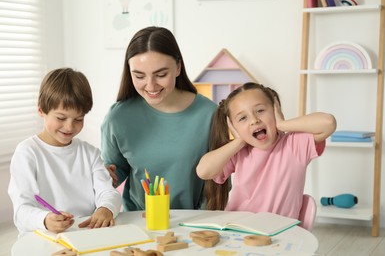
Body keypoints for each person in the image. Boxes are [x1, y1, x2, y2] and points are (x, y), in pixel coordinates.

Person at [100, 26, 217, 212]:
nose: (151, 85)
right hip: (139, 222)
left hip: (195, 222)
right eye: (139, 76)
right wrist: (105, 176)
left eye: (161, 75)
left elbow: (219, 180)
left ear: (178, 67)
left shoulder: (209, 114)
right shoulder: (118, 117)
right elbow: (116, 170)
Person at [197, 82, 336, 219]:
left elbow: (328, 123)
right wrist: (238, 142)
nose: (254, 120)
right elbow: (203, 171)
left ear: (276, 110)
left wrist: (282, 124)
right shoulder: (238, 152)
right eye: (242, 118)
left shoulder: (294, 144)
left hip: (280, 232)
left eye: (260, 110)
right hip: (238, 229)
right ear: (233, 127)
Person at [8, 68, 121, 236]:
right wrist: (45, 219)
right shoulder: (28, 153)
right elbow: (21, 211)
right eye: (61, 118)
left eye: (78, 119)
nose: (69, 127)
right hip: (42, 238)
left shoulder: (90, 153)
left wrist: (106, 208)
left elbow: (108, 192)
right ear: (41, 110)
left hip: (84, 235)